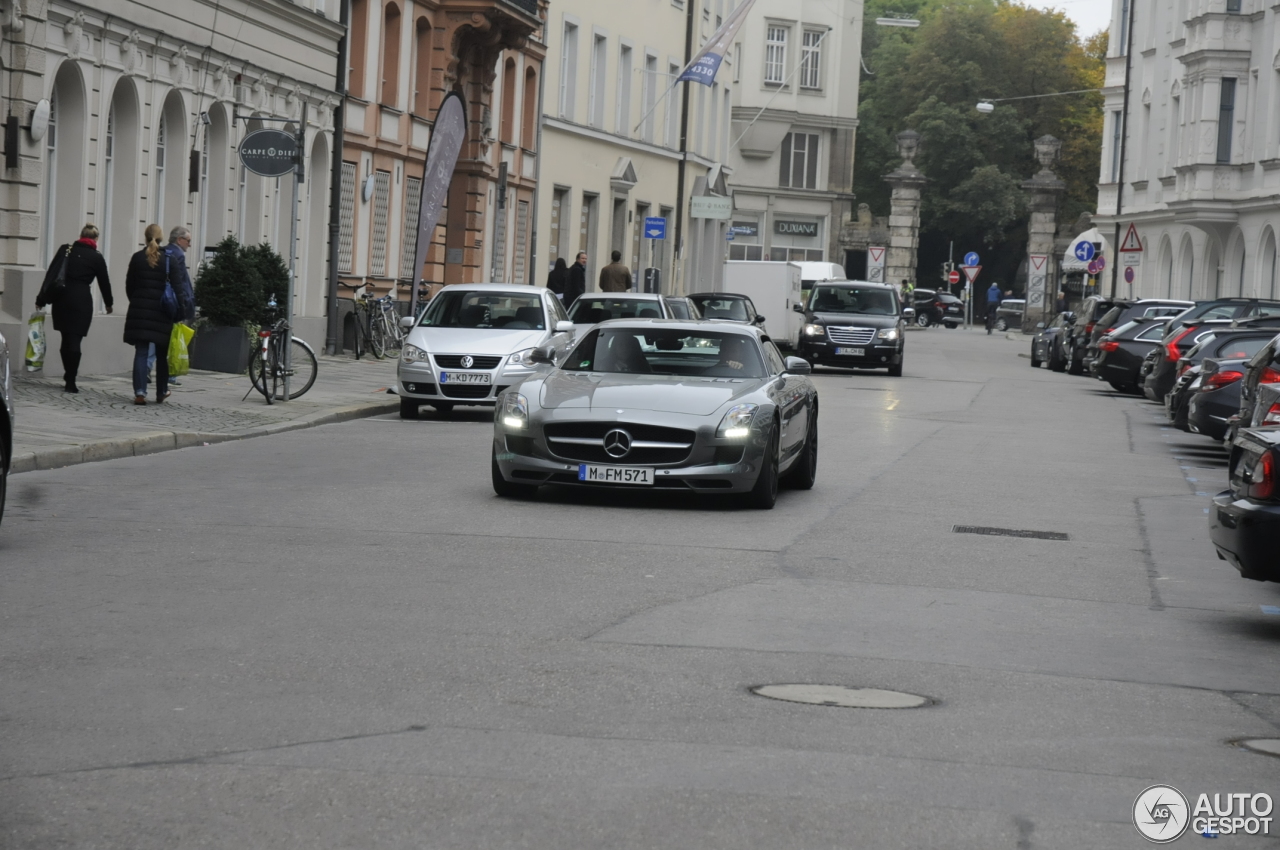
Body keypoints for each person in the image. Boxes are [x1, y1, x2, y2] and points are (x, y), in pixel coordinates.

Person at [36, 224, 113, 393]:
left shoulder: (66, 250)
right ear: (96, 239)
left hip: (62, 299)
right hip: (82, 302)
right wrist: (109, 303)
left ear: (80, 235)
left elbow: (52, 274)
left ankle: (68, 373)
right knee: (75, 340)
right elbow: (104, 282)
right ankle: (71, 378)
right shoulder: (96, 257)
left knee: (66, 338)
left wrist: (41, 299)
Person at [124, 224, 184, 405]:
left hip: (140, 311)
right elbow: (178, 289)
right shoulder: (169, 259)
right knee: (162, 354)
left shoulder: (137, 258)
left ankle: (140, 393)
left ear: (145, 237)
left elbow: (129, 286)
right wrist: (179, 311)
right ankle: (161, 392)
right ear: (161, 237)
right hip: (163, 312)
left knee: (141, 352)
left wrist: (137, 301)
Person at [148, 227, 196, 387]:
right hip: (172, 303)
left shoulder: (162, 251)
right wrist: (185, 304)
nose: (189, 244)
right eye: (188, 241)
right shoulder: (178, 255)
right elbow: (181, 282)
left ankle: (148, 369)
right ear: (179, 239)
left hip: (158, 301)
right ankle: (169, 375)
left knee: (154, 338)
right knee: (171, 339)